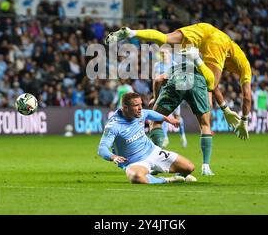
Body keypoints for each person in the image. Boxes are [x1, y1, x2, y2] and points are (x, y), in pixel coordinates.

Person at [105, 23, 251, 134]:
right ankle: (195, 58)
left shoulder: (231, 52)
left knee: (165, 38)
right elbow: (247, 97)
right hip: (218, 42)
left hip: (205, 28)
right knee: (210, 82)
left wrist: (225, 109)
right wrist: (243, 121)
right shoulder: (244, 65)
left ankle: (131, 32)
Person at [150, 48, 248, 176]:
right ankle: (206, 167)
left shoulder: (175, 67)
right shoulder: (205, 70)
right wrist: (213, 106)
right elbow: (212, 88)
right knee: (205, 125)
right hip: (197, 83)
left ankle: (157, 163)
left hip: (176, 81)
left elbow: (157, 80)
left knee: (156, 121)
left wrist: (156, 98)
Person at [97, 92, 197, 184]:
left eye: (141, 104)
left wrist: (168, 119)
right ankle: (168, 180)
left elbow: (149, 113)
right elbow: (102, 149)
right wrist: (113, 157)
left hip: (153, 152)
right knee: (136, 177)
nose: (140, 108)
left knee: (189, 167)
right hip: (135, 162)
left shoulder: (138, 113)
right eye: (136, 105)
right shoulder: (114, 126)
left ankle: (179, 177)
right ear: (125, 108)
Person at [152, 47, 187, 148]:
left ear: (170, 54)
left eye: (166, 52)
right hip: (163, 95)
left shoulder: (175, 65)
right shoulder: (157, 65)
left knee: (177, 117)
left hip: (174, 95)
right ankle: (165, 138)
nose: (164, 54)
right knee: (161, 116)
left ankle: (182, 135)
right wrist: (155, 95)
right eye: (162, 53)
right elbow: (155, 80)